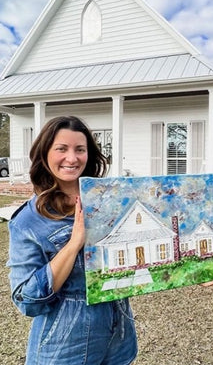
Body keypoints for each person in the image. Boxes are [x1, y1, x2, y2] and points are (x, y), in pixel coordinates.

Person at [7, 116, 138, 365]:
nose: (72, 158)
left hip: (119, 339)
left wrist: (198, 270)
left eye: (80, 149)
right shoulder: (29, 221)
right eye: (61, 149)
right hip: (65, 347)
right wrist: (74, 242)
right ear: (44, 154)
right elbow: (27, 301)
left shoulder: (109, 202)